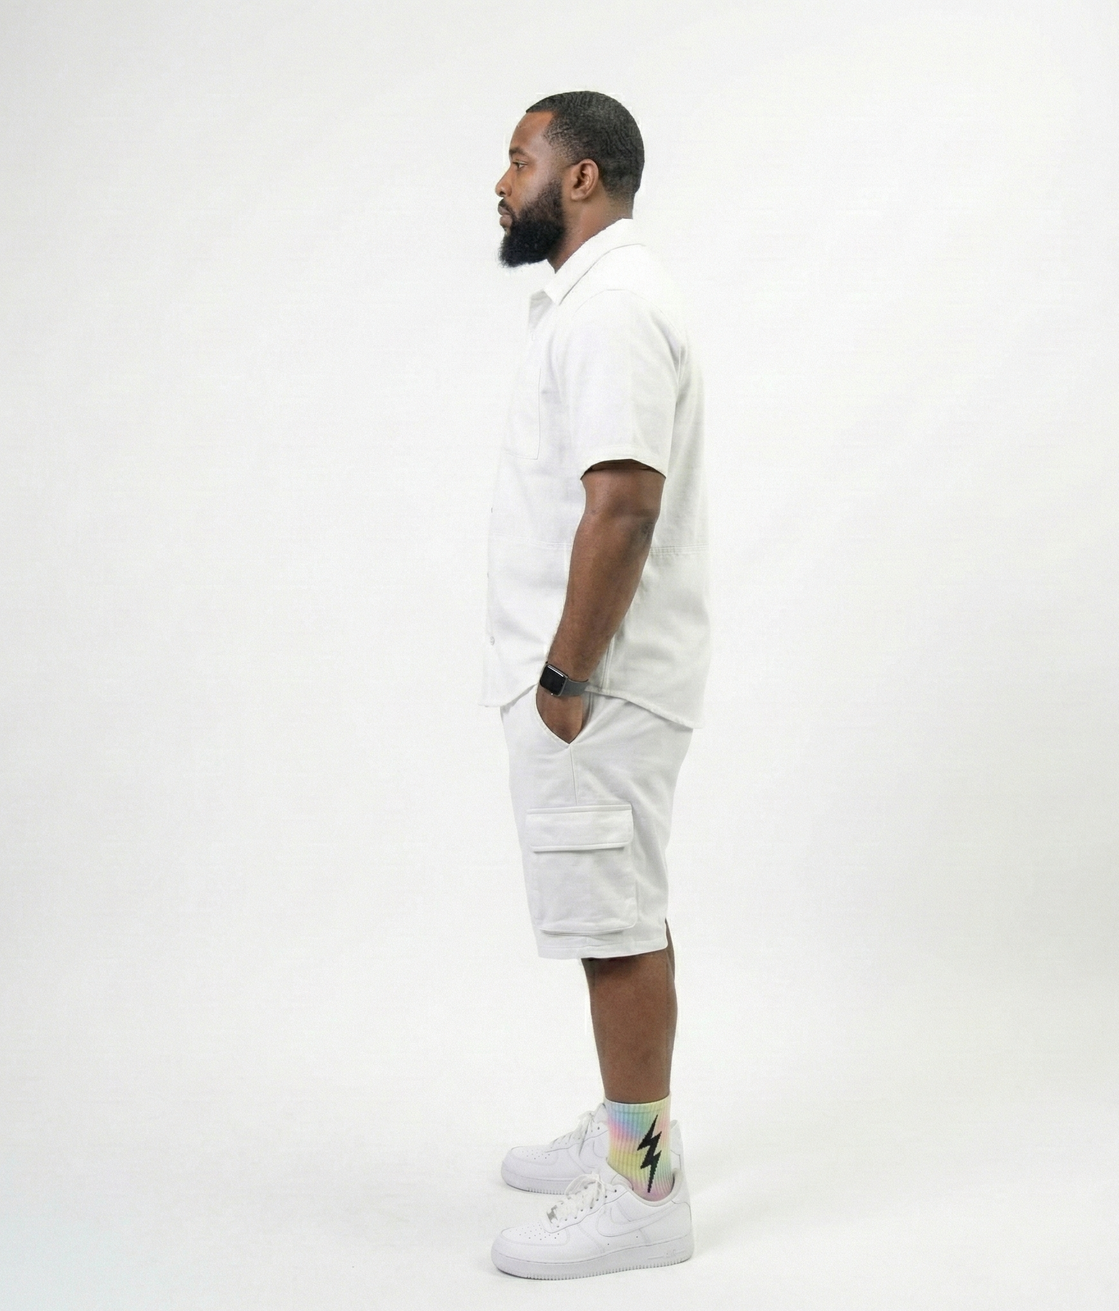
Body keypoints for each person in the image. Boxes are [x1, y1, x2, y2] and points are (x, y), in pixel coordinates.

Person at [484, 91, 710, 1280]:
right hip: (597, 686)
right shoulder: (595, 303)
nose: (501, 181)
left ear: (580, 178)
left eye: (520, 159)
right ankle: (631, 1132)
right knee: (614, 912)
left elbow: (622, 504)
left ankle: (644, 1192)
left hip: (598, 687)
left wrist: (566, 676)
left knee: (615, 928)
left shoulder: (613, 308)